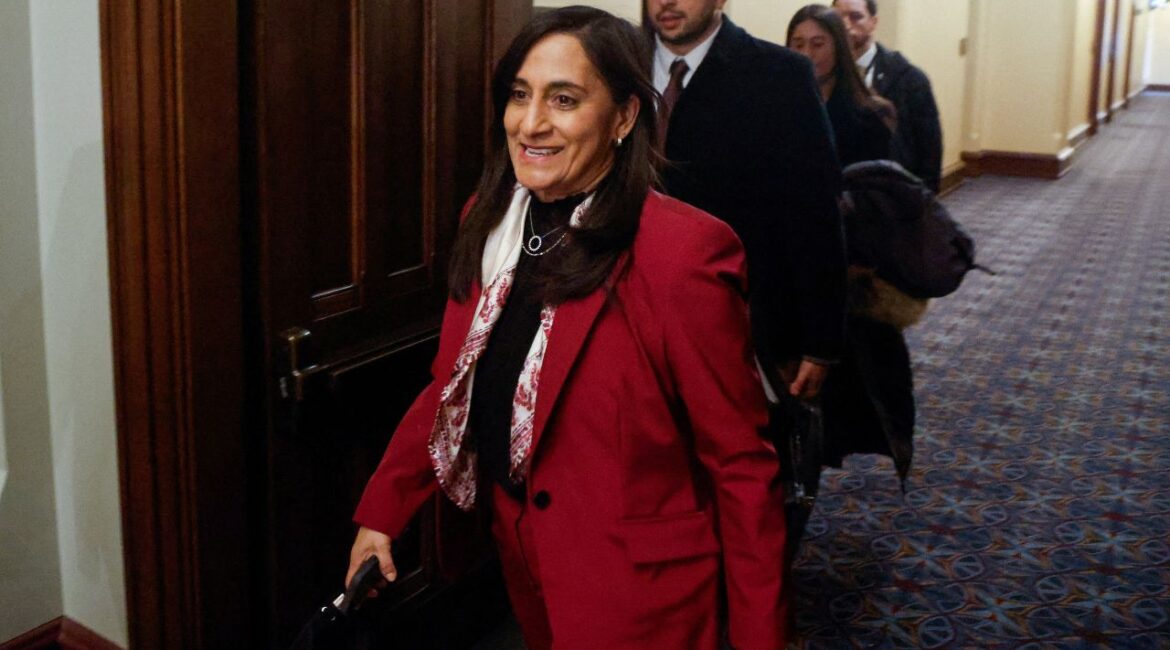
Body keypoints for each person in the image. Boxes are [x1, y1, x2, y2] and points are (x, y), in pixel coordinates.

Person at [346, 7, 788, 650]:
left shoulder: (680, 253)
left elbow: (743, 468)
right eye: (520, 95)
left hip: (641, 591)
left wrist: (760, 639)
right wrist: (382, 513)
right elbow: (454, 384)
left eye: (564, 99)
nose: (531, 123)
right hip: (524, 554)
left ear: (624, 117)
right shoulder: (491, 220)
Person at [645, 0, 847, 404]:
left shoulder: (779, 75)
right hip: (629, 314)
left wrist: (819, 340)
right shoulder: (615, 66)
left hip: (737, 319)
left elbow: (814, 213)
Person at [833, 0, 943, 191]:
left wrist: (924, 199)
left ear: (873, 22)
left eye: (855, 16)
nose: (845, 24)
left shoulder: (908, 77)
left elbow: (929, 147)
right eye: (838, 17)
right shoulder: (823, 73)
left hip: (893, 191)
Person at [787, 4, 895, 167]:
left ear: (839, 48)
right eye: (798, 45)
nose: (806, 54)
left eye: (817, 44)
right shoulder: (779, 107)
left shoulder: (869, 115)